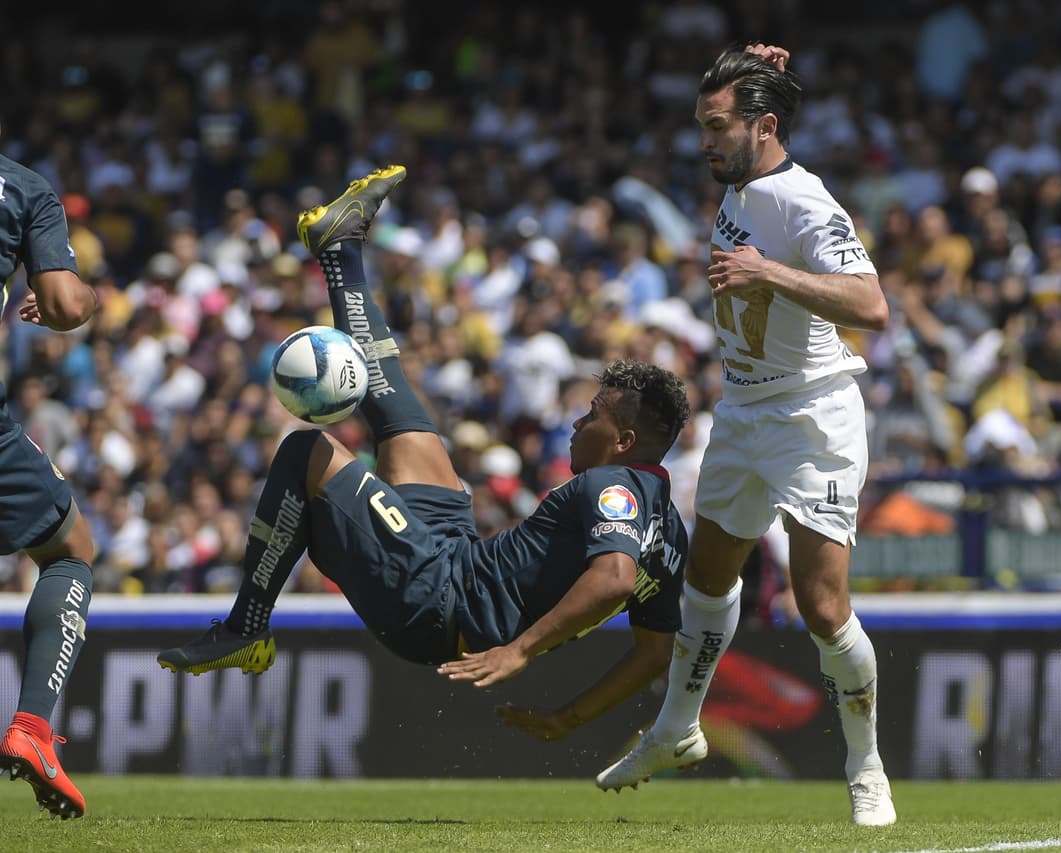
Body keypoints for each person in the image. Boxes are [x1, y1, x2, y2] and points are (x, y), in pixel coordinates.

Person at [157, 167, 692, 742]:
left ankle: (246, 627)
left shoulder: (610, 489)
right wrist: (570, 718)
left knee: (305, 451)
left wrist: (518, 652)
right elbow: (654, 653)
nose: (576, 421)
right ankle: (340, 248)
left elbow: (612, 578)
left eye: (592, 416)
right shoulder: (668, 534)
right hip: (456, 560)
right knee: (396, 411)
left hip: (439, 600)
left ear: (624, 443)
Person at [593, 44, 896, 826]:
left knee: (822, 607)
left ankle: (865, 766)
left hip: (812, 414)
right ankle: (676, 727)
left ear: (763, 127)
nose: (704, 140)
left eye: (718, 125)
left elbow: (872, 306)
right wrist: (759, 62)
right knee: (706, 576)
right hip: (744, 408)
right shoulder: (747, 177)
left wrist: (771, 275)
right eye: (701, 124)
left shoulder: (805, 202)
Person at [0, 154, 100, 820]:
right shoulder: (23, 188)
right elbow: (66, 304)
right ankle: (33, 727)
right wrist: (76, 302)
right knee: (71, 549)